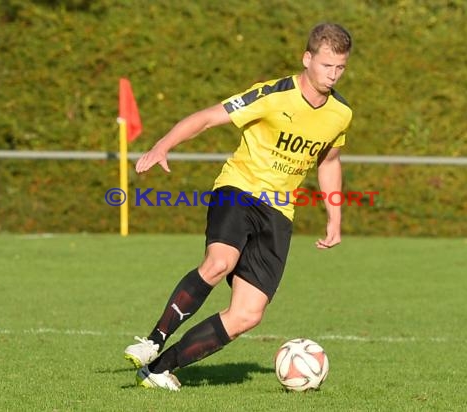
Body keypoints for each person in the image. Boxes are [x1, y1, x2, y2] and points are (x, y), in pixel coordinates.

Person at [125, 22, 353, 391]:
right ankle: (153, 340)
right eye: (327, 65)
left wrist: (335, 216)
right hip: (239, 190)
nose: (333, 74)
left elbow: (328, 161)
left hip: (279, 212)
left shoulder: (340, 113)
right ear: (307, 58)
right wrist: (163, 145)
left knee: (248, 314)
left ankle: (159, 369)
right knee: (220, 261)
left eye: (340, 67)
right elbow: (208, 117)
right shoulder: (273, 94)